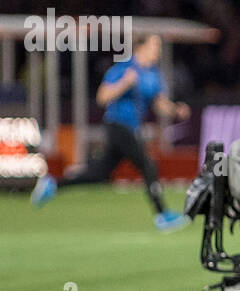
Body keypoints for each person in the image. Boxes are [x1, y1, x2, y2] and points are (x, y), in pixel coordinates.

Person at [31, 33, 191, 230]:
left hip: (132, 128)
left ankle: (53, 185)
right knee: (148, 165)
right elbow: (102, 97)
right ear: (141, 47)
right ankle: (162, 215)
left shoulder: (153, 74)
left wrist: (176, 110)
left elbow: (159, 104)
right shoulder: (123, 69)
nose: (158, 50)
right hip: (117, 126)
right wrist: (124, 83)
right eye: (155, 46)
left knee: (100, 173)